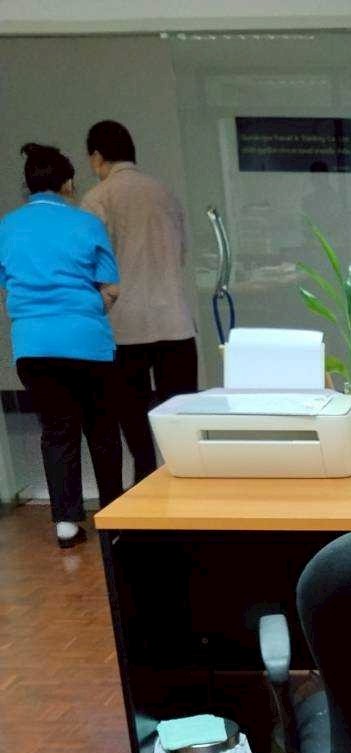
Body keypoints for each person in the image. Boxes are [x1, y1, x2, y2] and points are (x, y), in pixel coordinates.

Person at [0, 143, 123, 548]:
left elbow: (7, 284)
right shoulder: (87, 224)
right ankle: (112, 516)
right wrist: (89, 308)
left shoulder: (6, 228)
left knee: (57, 430)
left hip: (33, 347)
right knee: (101, 429)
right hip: (87, 343)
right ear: (68, 183)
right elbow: (111, 287)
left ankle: (66, 524)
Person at [83, 119, 197, 483]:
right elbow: (181, 254)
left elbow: (91, 265)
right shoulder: (165, 193)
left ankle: (146, 481)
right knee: (180, 417)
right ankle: (181, 482)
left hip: (125, 326)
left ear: (97, 157)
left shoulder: (97, 199)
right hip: (174, 321)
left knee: (132, 418)